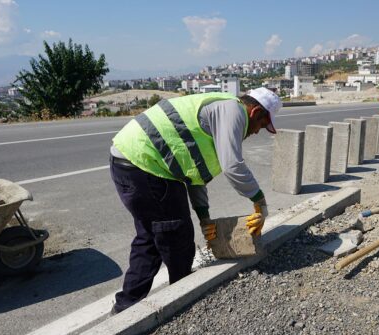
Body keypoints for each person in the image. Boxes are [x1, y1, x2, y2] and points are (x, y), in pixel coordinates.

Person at [108, 88, 282, 314]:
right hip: (146, 165)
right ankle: (182, 298)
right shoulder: (234, 111)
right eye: (261, 124)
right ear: (255, 111)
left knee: (151, 236)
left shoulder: (220, 111)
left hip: (131, 161)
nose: (258, 131)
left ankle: (125, 307)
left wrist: (204, 218)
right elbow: (233, 166)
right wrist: (260, 203)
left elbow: (193, 174)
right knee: (176, 235)